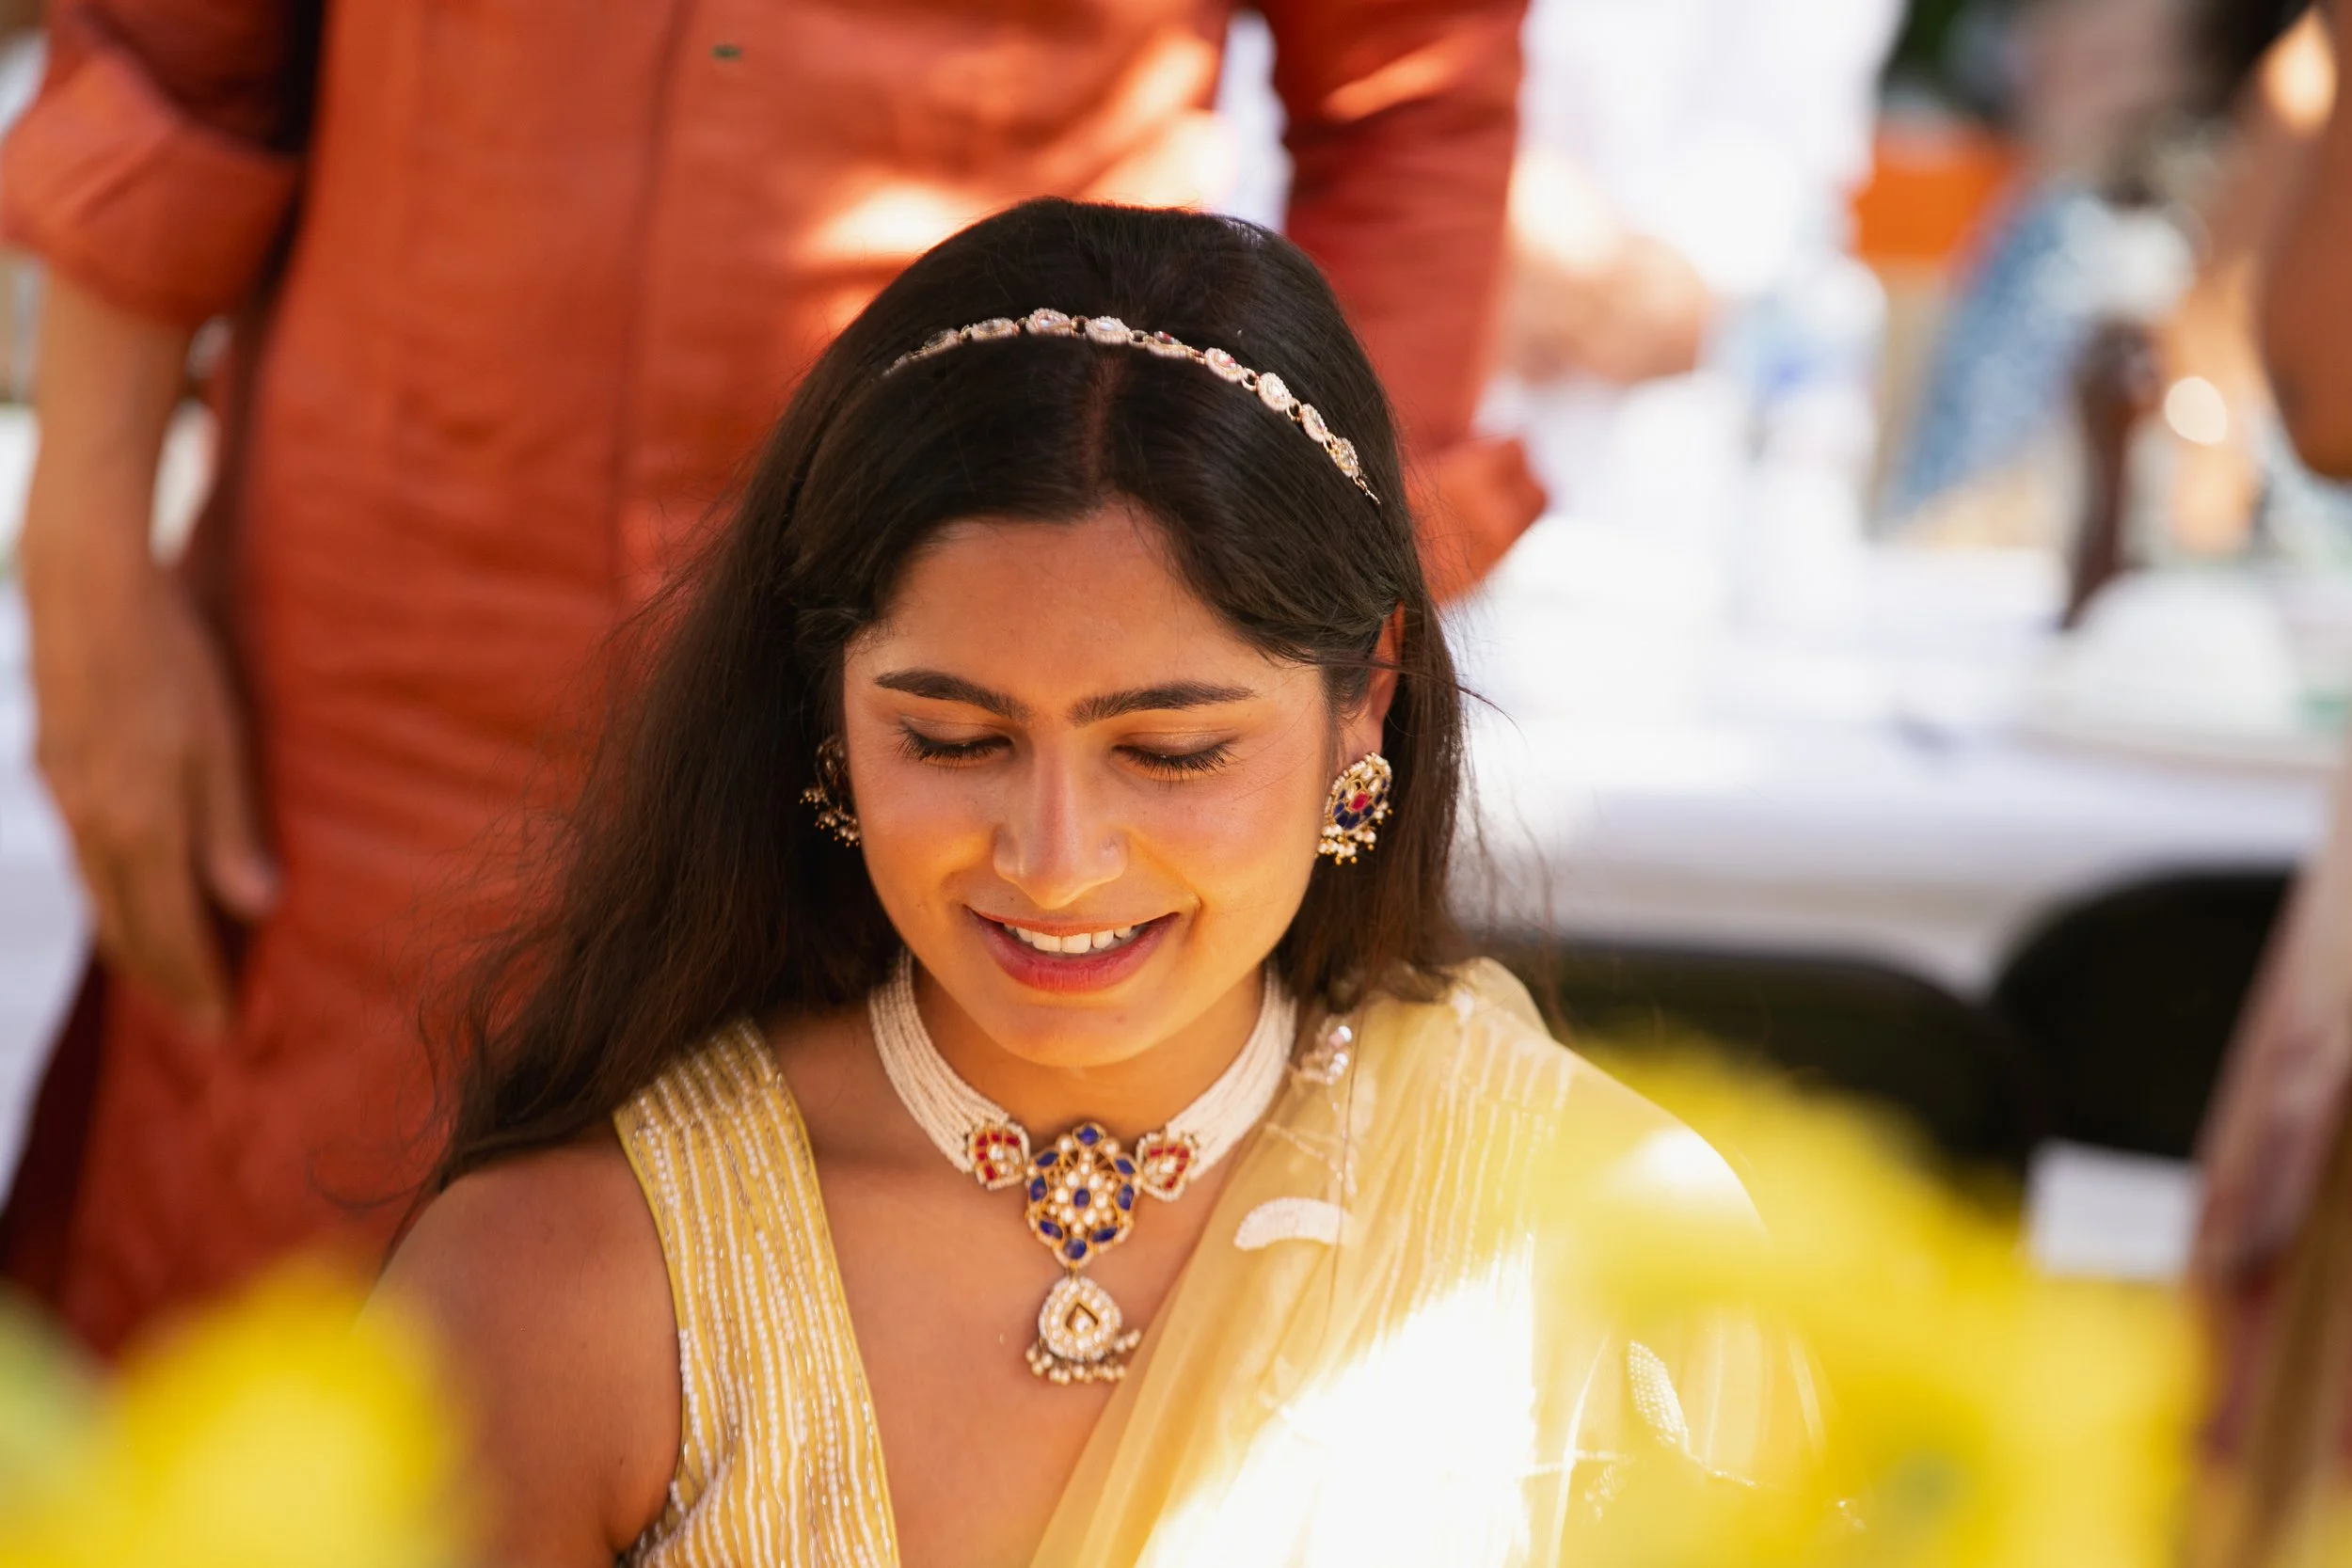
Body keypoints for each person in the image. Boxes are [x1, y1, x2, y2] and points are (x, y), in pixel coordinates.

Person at [0, 0, 1544, 1354]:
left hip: (976, 691)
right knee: (291, 1390)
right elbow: (175, 44)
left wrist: (1258, 642)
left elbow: (1412, 95)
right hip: (374, 674)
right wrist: (81, 549)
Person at [376, 200, 1789, 1567]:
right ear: (828, 714)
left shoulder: (1601, 1240)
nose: (1056, 860)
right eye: (954, 738)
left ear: (1367, 699)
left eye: (1170, 752)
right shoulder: (576, 1280)